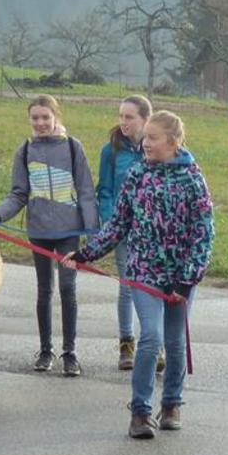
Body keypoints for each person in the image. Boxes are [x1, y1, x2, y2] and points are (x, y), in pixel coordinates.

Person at [67, 111, 214, 440]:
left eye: (153, 138)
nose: (145, 143)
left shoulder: (193, 178)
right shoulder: (137, 175)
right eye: (145, 136)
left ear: (173, 142)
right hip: (144, 271)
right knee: (150, 336)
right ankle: (140, 412)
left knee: (175, 342)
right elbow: (118, 224)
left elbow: (204, 234)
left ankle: (172, 404)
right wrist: (86, 254)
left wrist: (186, 280)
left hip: (181, 278)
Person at [0, 94, 98, 377]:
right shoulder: (24, 151)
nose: (41, 123)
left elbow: (86, 191)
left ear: (56, 117)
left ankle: (70, 353)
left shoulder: (73, 147)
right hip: (39, 231)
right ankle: (46, 350)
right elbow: (18, 194)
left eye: (46, 117)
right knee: (44, 290)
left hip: (69, 231)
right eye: (35, 118)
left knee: (67, 288)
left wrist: (93, 233)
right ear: (29, 119)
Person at [97, 94, 151, 371]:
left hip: (152, 232)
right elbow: (105, 190)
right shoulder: (111, 151)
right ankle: (126, 342)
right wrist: (111, 223)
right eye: (120, 116)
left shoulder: (155, 148)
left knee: (152, 287)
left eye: (129, 117)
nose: (123, 122)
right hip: (123, 231)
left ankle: (153, 343)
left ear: (145, 119)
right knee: (128, 285)